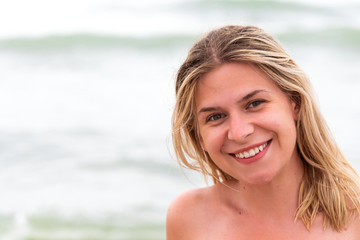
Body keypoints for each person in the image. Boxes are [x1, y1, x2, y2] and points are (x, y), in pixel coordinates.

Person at [166, 25, 360, 239]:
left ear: (294, 103)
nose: (239, 133)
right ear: (200, 137)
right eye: (215, 117)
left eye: (254, 103)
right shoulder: (188, 218)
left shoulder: (355, 217)